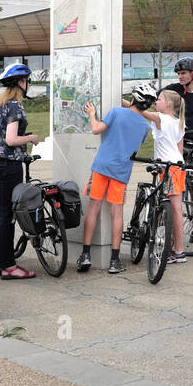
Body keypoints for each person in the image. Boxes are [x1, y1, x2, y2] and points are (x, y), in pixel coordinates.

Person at [76, 86, 153, 275]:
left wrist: (92, 114)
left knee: (93, 208)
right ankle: (115, 260)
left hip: (101, 167)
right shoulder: (145, 126)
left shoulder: (117, 112)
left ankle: (85, 255)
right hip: (121, 172)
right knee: (116, 213)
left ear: (133, 99)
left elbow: (96, 130)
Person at [0, 63, 41, 281]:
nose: (27, 85)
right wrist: (31, 138)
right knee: (7, 214)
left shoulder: (1, 103)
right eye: (27, 81)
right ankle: (8, 266)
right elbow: (11, 139)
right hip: (9, 165)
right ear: (21, 82)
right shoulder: (15, 107)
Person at [139, 88, 188, 264]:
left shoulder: (162, 118)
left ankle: (179, 250)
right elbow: (179, 149)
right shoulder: (178, 121)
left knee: (174, 209)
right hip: (177, 166)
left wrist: (123, 101)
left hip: (168, 168)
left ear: (168, 103)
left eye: (159, 99)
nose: (156, 102)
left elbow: (140, 111)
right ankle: (177, 248)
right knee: (175, 209)